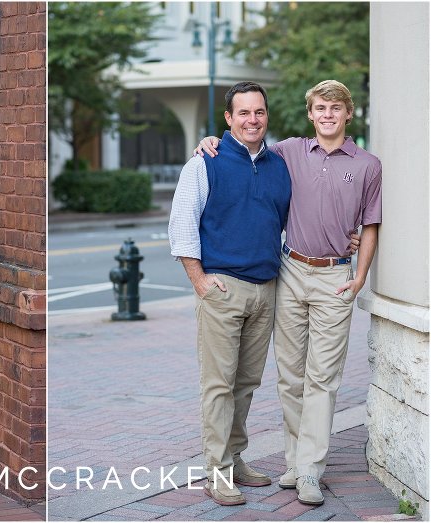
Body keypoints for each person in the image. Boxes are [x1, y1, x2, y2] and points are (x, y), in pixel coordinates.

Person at [195, 80, 382, 506]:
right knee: (290, 378)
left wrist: (360, 275)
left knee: (323, 379)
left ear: (348, 114)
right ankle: (295, 463)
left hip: (335, 276)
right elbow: (244, 148)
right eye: (320, 108)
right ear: (310, 114)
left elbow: (370, 225)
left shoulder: (368, 165)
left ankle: (312, 471)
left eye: (336, 108)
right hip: (290, 271)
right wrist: (208, 142)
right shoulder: (288, 152)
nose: (328, 115)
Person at [168, 82, 292, 506]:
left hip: (266, 288)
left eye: (259, 112)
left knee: (246, 383)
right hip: (222, 288)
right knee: (219, 385)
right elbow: (182, 226)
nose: (252, 120)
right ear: (228, 118)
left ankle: (236, 459)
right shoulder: (206, 163)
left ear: (266, 116)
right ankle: (216, 472)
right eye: (243, 113)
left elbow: (296, 220)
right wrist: (200, 282)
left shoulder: (278, 165)